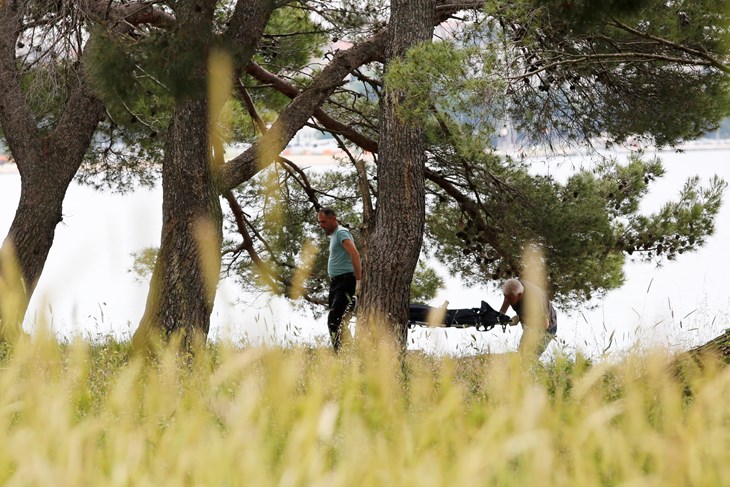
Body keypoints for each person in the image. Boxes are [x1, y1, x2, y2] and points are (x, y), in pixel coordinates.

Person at [317, 207, 362, 351]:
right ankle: (348, 354)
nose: (321, 225)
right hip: (336, 283)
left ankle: (343, 355)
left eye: (324, 222)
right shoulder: (334, 235)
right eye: (320, 222)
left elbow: (355, 254)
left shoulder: (342, 233)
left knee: (335, 321)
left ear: (333, 218)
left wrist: (358, 281)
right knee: (339, 321)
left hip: (345, 282)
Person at [500, 278, 558, 359]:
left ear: (519, 295)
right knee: (521, 353)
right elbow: (507, 299)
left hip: (546, 328)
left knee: (529, 358)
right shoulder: (514, 288)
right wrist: (501, 315)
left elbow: (545, 324)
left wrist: (520, 318)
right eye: (505, 296)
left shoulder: (534, 300)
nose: (506, 299)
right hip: (530, 324)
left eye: (509, 298)